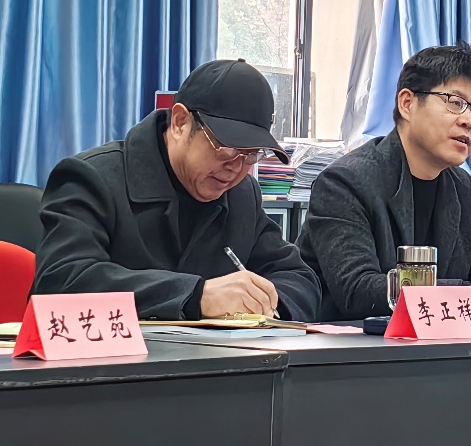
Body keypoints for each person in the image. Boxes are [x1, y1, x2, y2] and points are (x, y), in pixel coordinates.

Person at [298, 43, 471, 322]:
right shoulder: (344, 182)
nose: (469, 121)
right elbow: (358, 291)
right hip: (351, 344)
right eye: (455, 103)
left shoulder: (462, 188)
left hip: (431, 342)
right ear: (407, 103)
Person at [33, 59, 321, 321]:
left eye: (251, 154)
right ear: (180, 122)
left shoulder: (241, 194)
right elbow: (61, 280)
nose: (235, 168)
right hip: (110, 359)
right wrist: (195, 296)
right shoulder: (93, 178)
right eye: (226, 148)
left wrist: (266, 305)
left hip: (215, 359)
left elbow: (298, 277)